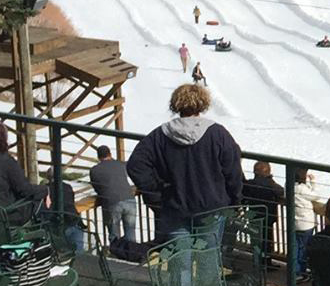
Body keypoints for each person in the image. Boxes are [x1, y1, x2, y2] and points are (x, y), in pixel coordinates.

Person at [126, 83, 243, 246]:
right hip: (211, 207)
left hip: (175, 207)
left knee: (179, 264)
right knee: (208, 261)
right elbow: (233, 171)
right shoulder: (218, 133)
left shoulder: (160, 135)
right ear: (203, 104)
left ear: (176, 104)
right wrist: (235, 201)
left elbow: (135, 165)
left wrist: (157, 193)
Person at [90, 145, 139, 252]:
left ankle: (117, 256)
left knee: (114, 234)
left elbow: (97, 188)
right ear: (110, 154)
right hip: (129, 198)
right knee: (130, 231)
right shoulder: (120, 165)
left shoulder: (94, 170)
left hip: (111, 201)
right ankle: (132, 254)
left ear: (98, 157)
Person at [240, 159, 285, 239]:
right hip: (268, 219)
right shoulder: (273, 187)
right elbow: (282, 194)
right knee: (267, 240)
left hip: (254, 217)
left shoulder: (250, 184)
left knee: (255, 239)